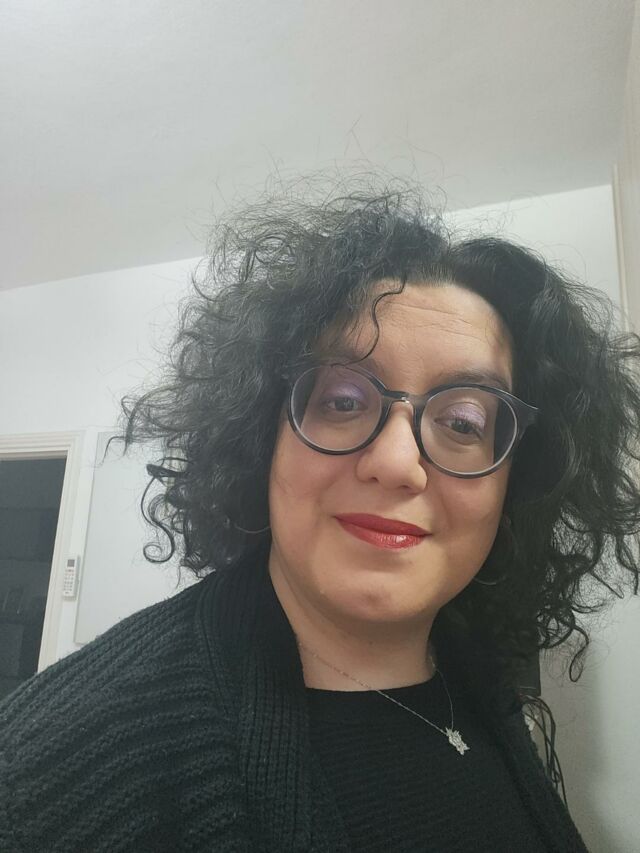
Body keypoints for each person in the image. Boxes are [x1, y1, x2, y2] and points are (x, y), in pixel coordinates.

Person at [1, 177, 639, 853]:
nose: (396, 462)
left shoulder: (477, 674)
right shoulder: (50, 772)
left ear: (516, 480)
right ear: (262, 436)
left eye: (462, 421)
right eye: (342, 401)